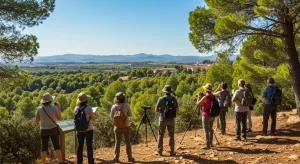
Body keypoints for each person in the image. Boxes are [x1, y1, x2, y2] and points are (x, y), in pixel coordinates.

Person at [35, 93, 63, 164]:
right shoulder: (54, 108)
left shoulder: (40, 109)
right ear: (50, 101)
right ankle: (60, 161)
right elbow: (59, 118)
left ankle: (43, 162)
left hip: (43, 129)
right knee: (56, 145)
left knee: (44, 147)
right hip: (53, 129)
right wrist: (58, 108)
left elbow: (37, 119)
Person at [110, 92, 135, 162]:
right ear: (123, 98)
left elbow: (111, 116)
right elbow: (130, 115)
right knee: (127, 142)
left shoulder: (113, 106)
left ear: (116, 99)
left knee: (117, 142)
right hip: (126, 125)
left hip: (117, 126)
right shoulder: (126, 105)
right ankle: (130, 157)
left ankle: (116, 158)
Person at [155, 85, 179, 156]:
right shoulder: (174, 99)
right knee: (171, 136)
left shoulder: (161, 99)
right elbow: (177, 110)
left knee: (160, 135)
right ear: (170, 91)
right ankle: (171, 152)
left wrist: (162, 110)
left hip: (163, 119)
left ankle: (160, 152)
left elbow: (156, 110)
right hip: (171, 120)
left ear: (164, 91)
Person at [74, 92, 95, 164]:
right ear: (86, 100)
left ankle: (79, 162)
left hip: (79, 130)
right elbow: (93, 118)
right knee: (89, 146)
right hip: (88, 129)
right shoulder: (89, 108)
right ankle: (90, 162)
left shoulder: (76, 108)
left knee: (80, 146)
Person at [197, 83, 216, 149]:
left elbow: (198, 104)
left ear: (205, 90)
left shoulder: (205, 97)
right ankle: (211, 143)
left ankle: (207, 145)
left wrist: (199, 97)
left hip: (206, 115)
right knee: (210, 129)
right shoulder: (213, 96)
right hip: (212, 115)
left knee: (206, 130)